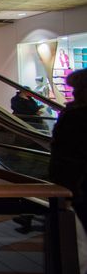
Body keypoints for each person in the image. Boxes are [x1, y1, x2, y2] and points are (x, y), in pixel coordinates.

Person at [49, 69, 87, 252]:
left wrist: (65, 191)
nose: (73, 93)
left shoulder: (74, 117)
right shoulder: (74, 115)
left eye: (76, 89)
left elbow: (65, 159)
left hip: (79, 190)